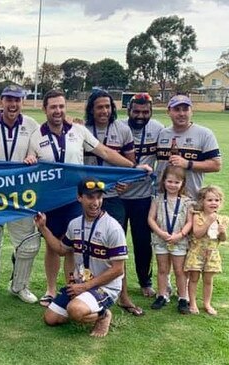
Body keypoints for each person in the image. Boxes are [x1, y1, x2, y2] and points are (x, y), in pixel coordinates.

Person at [24, 90, 150, 308]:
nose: (58, 111)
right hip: (51, 198)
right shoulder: (36, 135)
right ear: (45, 109)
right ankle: (51, 290)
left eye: (61, 106)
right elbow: (28, 164)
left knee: (73, 245)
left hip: (75, 198)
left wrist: (133, 167)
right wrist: (30, 159)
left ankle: (71, 286)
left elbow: (105, 152)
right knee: (52, 247)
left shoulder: (78, 131)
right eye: (53, 107)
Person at [33, 177, 128, 338]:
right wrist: (43, 228)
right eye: (90, 197)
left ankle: (103, 315)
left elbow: (118, 270)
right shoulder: (75, 224)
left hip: (106, 287)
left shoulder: (113, 227)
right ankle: (84, 305)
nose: (95, 202)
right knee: (50, 319)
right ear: (79, 197)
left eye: (99, 197)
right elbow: (62, 250)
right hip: (82, 283)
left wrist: (85, 287)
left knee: (75, 310)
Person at [0, 84, 40, 303]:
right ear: (1, 101)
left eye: (17, 100)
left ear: (22, 102)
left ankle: (20, 286)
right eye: (9, 99)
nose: (13, 104)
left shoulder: (31, 125)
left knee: (28, 243)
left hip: (20, 194)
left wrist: (33, 158)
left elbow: (40, 149)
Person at [83, 90, 142, 316]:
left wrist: (125, 182)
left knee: (116, 249)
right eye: (99, 107)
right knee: (85, 245)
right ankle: (84, 287)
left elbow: (130, 163)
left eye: (107, 106)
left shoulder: (122, 129)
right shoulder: (82, 130)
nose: (104, 111)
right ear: (92, 109)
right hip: (88, 196)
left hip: (113, 198)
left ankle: (124, 297)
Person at [120, 93, 164, 298]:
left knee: (143, 241)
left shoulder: (158, 129)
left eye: (145, 112)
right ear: (128, 110)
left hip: (143, 197)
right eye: (136, 111)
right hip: (117, 196)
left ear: (151, 112)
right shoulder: (118, 127)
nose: (140, 115)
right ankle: (113, 281)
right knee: (115, 240)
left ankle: (145, 281)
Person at [156, 95, 222, 198]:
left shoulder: (204, 133)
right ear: (168, 112)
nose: (181, 114)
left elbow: (216, 165)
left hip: (190, 199)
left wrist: (188, 164)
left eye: (185, 109)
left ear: (192, 112)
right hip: (161, 199)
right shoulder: (162, 133)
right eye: (177, 110)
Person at [147, 165, 193, 314]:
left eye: (176, 182)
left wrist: (179, 235)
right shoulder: (157, 199)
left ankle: (183, 298)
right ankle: (162, 295)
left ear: (182, 184)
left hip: (179, 240)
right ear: (164, 181)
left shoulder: (186, 202)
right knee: (162, 269)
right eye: (169, 181)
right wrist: (160, 233)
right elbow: (150, 219)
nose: (172, 185)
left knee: (180, 270)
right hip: (161, 239)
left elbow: (189, 222)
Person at [185, 185, 229, 315]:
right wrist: (208, 221)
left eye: (216, 200)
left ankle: (207, 303)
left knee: (208, 280)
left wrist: (223, 232)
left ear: (220, 202)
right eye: (209, 200)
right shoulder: (198, 216)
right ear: (202, 202)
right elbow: (197, 233)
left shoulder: (223, 219)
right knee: (194, 278)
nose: (213, 203)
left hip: (212, 254)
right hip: (196, 253)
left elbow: (222, 239)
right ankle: (192, 303)